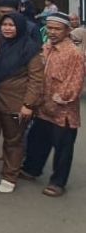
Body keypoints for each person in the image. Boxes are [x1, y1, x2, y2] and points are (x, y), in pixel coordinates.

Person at [0, 12, 44, 193]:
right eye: (4, 25)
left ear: (20, 27)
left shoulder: (30, 48)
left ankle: (9, 176)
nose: (7, 28)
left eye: (12, 25)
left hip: (15, 103)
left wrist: (28, 104)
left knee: (13, 141)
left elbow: (36, 79)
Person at [21, 13, 86, 197]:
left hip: (62, 111)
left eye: (57, 29)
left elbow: (75, 83)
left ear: (67, 30)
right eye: (49, 28)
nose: (52, 32)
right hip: (42, 107)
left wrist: (59, 99)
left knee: (63, 148)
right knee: (37, 140)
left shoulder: (74, 53)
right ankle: (32, 170)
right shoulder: (47, 47)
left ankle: (58, 182)